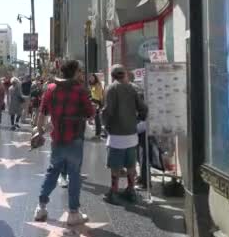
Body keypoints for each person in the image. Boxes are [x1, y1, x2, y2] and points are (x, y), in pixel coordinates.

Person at [34, 60, 94, 225]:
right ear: (74, 72)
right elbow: (90, 113)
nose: (81, 73)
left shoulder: (51, 89)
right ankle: (73, 213)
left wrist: (38, 132)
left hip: (57, 138)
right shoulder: (80, 91)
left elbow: (42, 113)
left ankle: (41, 207)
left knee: (52, 171)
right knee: (74, 175)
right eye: (80, 71)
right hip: (74, 138)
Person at [101, 64, 148, 204]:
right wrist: (137, 120)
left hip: (116, 134)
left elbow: (108, 111)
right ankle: (131, 189)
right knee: (131, 164)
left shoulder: (111, 88)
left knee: (115, 166)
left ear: (112, 75)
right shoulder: (132, 88)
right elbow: (143, 108)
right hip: (131, 133)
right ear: (124, 74)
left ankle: (114, 191)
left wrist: (106, 126)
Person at [88, 74, 105, 139]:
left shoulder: (98, 85)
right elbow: (93, 94)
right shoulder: (92, 85)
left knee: (97, 118)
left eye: (93, 78)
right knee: (96, 118)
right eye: (90, 78)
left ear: (95, 78)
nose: (91, 79)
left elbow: (100, 95)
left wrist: (100, 104)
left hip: (97, 102)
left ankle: (98, 134)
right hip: (94, 102)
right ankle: (97, 133)